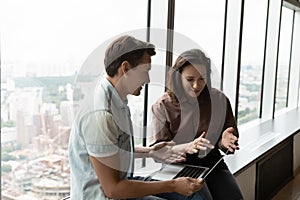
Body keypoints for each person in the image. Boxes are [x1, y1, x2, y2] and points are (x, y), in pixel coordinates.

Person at [68, 36, 206, 200]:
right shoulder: (100, 115)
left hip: (122, 183)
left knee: (196, 195)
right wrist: (173, 185)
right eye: (145, 71)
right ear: (125, 68)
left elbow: (114, 149)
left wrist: (151, 152)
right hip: (107, 195)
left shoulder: (116, 100)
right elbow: (113, 190)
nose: (148, 79)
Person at [151, 49, 244, 200]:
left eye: (202, 79)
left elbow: (225, 137)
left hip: (211, 161)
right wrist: (185, 147)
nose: (196, 85)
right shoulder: (163, 105)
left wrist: (225, 141)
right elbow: (158, 151)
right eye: (190, 79)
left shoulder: (219, 100)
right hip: (178, 165)